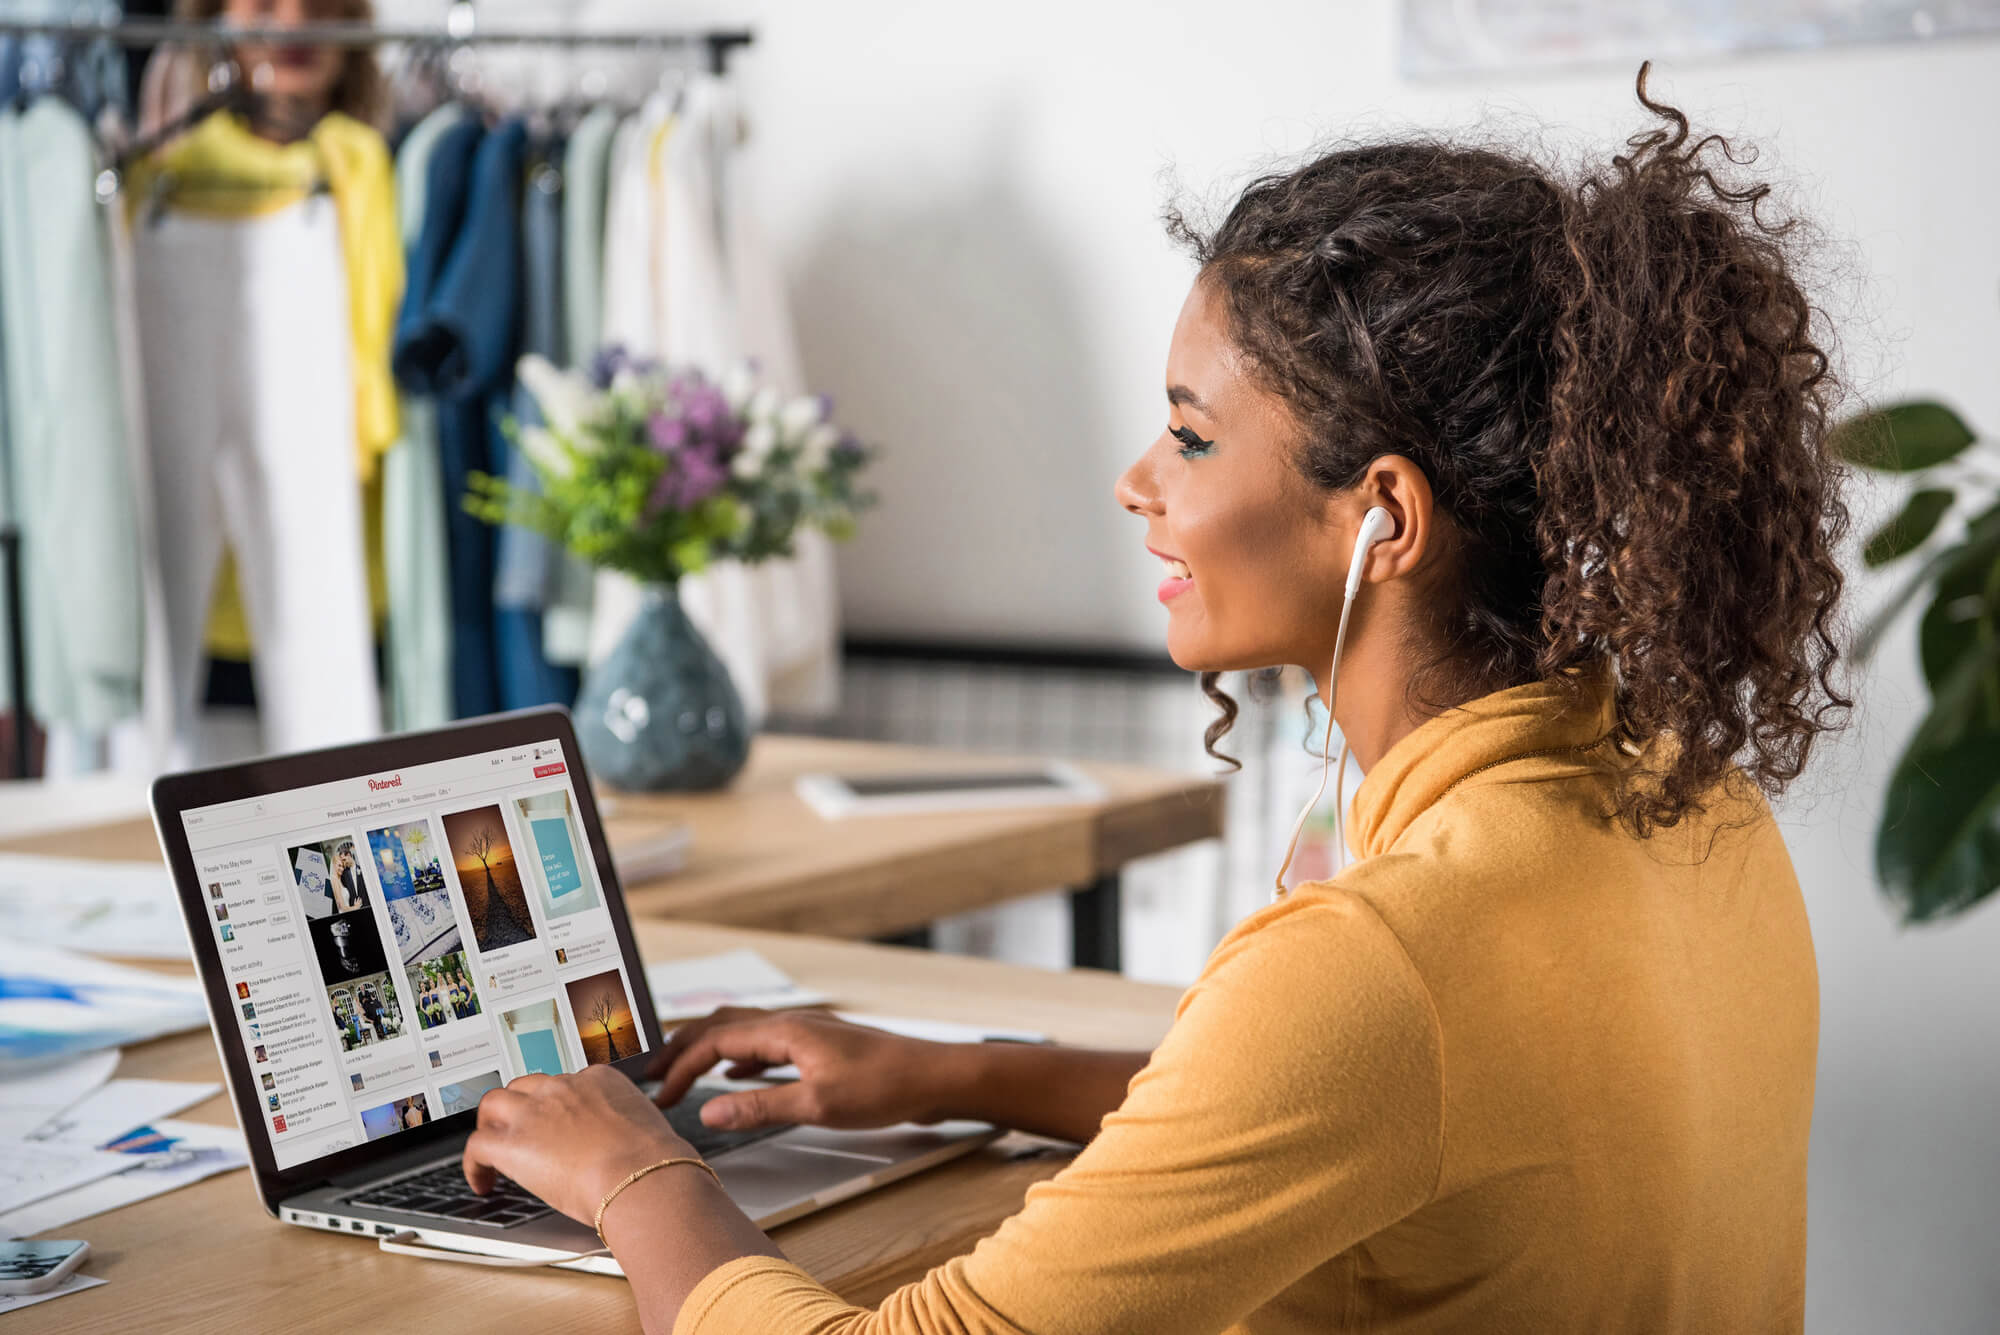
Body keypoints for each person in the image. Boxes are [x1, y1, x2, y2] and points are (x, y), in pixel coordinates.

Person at [456, 72, 1847, 1333]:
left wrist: (635, 1170)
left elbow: (1353, 1050)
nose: (1138, 480)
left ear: (1383, 517)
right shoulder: (1693, 803)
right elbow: (1347, 1103)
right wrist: (957, 1072)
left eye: (1190, 434)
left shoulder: (1382, 964)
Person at [330, 842, 368, 914]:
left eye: (344, 860)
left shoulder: (363, 870)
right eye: (341, 863)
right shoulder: (342, 874)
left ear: (349, 855)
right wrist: (355, 907)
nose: (344, 864)